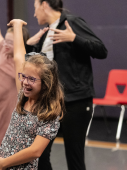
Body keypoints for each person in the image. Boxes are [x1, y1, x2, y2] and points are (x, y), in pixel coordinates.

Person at [26, 0, 108, 170]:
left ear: (44, 5)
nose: (34, 14)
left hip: (75, 102)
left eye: (35, 8)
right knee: (37, 154)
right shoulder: (47, 33)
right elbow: (39, 67)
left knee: (74, 159)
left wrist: (74, 38)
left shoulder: (72, 22)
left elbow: (101, 50)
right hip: (51, 103)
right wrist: (30, 47)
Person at [0, 19, 64, 170]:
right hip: (3, 165)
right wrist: (17, 26)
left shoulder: (49, 113)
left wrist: (5, 163)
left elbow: (35, 151)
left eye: (32, 79)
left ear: (46, 83)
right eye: (24, 77)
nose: (25, 82)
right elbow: (18, 56)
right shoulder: (22, 96)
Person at [0, 5, 30, 170]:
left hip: (8, 115)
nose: (7, 45)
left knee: (2, 158)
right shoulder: (3, 51)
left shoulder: (21, 63)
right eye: (6, 41)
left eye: (11, 42)